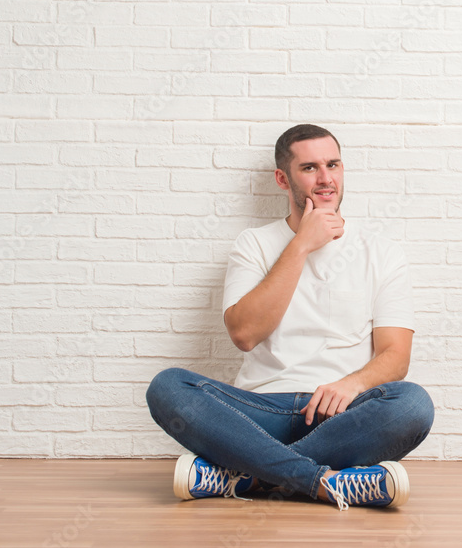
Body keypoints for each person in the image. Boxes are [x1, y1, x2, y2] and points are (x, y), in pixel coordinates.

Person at [145, 123, 434, 511]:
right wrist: (301, 246)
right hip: (259, 413)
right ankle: (323, 482)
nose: (326, 178)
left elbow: (396, 356)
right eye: (310, 168)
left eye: (333, 164)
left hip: (342, 416)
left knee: (413, 404)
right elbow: (244, 334)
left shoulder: (382, 252)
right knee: (168, 387)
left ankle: (244, 475)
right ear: (283, 178)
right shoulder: (254, 244)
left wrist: (351, 384)